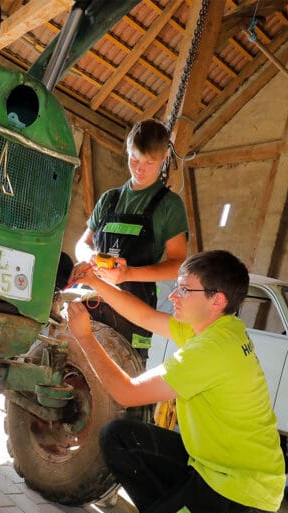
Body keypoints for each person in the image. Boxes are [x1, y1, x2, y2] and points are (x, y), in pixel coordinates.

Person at [65, 250, 288, 513]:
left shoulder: (210, 351)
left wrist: (84, 337)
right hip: (213, 469)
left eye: (182, 290)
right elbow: (144, 316)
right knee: (120, 437)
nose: (173, 297)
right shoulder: (218, 327)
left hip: (240, 493)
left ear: (216, 300)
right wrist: (94, 283)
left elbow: (127, 392)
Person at [74, 119, 188, 360]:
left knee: (123, 378)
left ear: (165, 156)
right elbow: (82, 244)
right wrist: (89, 256)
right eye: (134, 159)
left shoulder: (169, 206)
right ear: (127, 149)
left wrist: (128, 274)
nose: (140, 169)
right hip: (94, 302)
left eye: (150, 162)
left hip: (135, 314)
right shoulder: (109, 199)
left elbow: (178, 264)